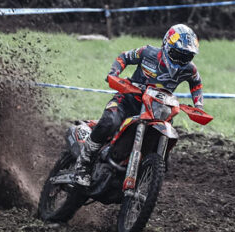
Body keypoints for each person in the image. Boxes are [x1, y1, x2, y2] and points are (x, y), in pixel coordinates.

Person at [74, 23, 204, 185]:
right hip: (128, 100)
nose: (181, 60)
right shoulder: (147, 52)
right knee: (109, 122)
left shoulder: (189, 69)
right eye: (177, 54)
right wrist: (114, 73)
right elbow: (124, 57)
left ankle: (144, 180)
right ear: (166, 45)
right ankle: (83, 164)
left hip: (157, 108)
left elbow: (196, 83)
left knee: (164, 145)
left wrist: (198, 106)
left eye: (187, 57)